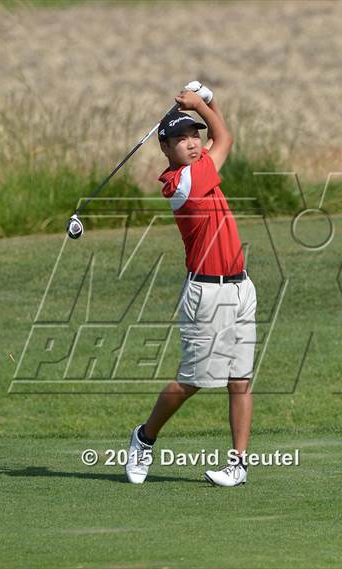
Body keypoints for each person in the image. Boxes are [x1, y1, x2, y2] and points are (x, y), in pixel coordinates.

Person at [126, 82, 257, 487]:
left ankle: (238, 463)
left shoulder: (200, 168)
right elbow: (226, 136)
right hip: (207, 292)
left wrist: (209, 103)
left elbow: (217, 136)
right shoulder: (182, 184)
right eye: (181, 139)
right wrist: (203, 103)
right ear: (165, 149)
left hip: (240, 287)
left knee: (240, 379)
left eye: (194, 136)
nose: (193, 144)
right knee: (194, 380)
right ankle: (144, 437)